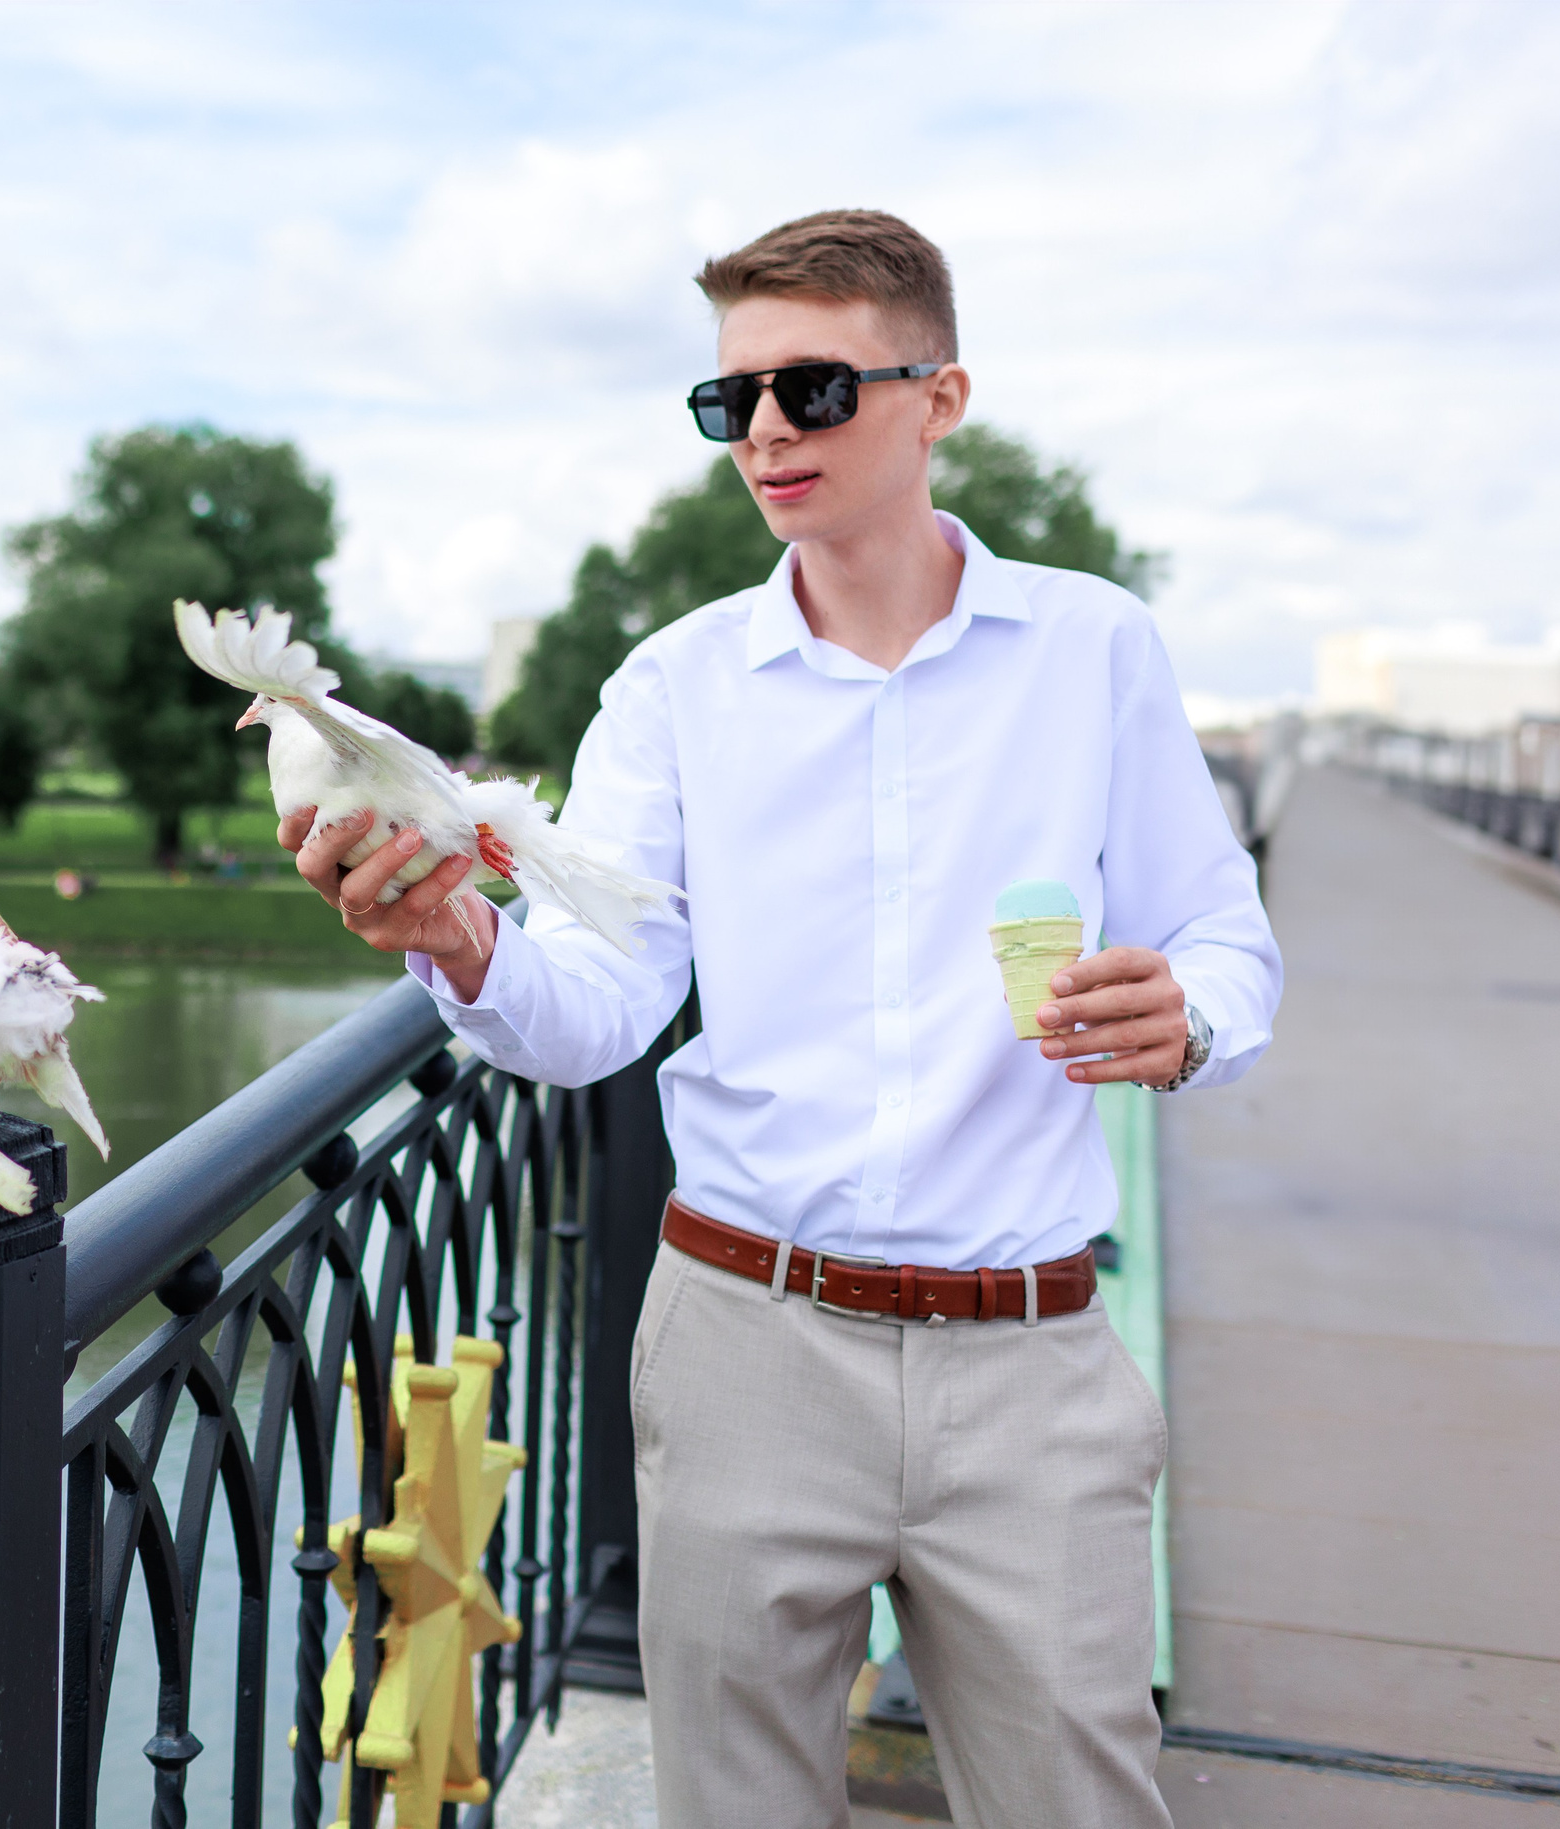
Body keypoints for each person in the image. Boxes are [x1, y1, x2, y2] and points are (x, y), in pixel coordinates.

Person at [277, 209, 1279, 1827]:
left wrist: (1192, 1011)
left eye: (809, 389)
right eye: (727, 398)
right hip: (746, 1342)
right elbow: (601, 999)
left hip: (1030, 1364)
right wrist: (458, 943)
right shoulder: (674, 686)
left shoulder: (1094, 647)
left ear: (939, 398)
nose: (760, 432)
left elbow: (1231, 938)